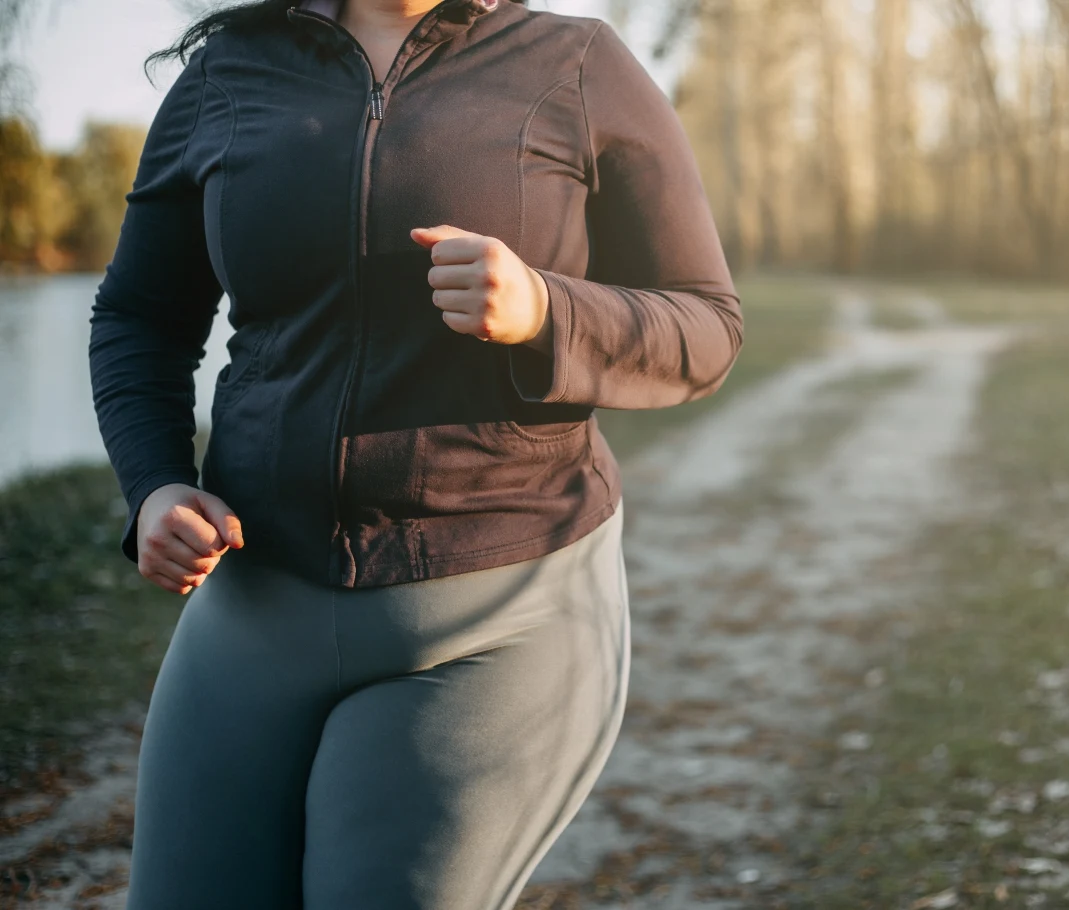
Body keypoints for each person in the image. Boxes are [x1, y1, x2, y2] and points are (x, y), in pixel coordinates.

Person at [87, 0, 742, 906]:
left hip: (493, 616)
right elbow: (139, 314)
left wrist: (548, 311)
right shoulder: (231, 69)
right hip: (253, 603)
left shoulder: (575, 64)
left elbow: (706, 324)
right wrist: (155, 482)